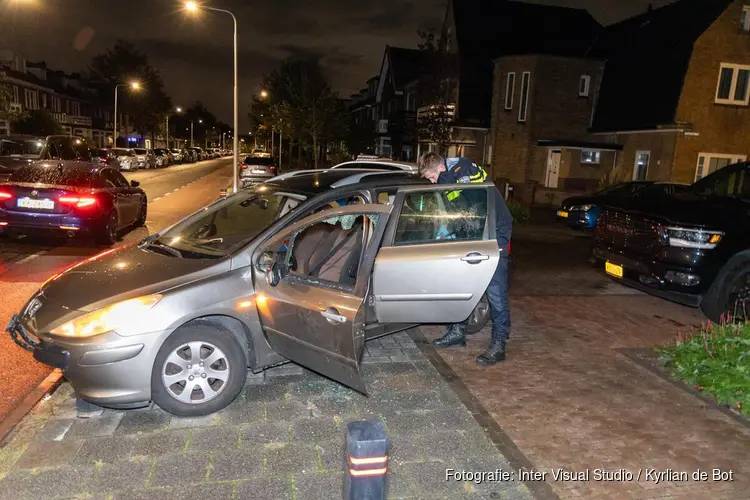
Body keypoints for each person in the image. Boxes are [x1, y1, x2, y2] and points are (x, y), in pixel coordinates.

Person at [417, 152, 513, 365]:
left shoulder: (465, 169)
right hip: (474, 231)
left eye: (432, 177)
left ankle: (499, 344)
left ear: (440, 168)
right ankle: (458, 332)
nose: (433, 182)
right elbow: (457, 211)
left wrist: (442, 180)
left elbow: (472, 199)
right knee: (462, 284)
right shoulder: (449, 178)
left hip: (494, 232)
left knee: (495, 292)